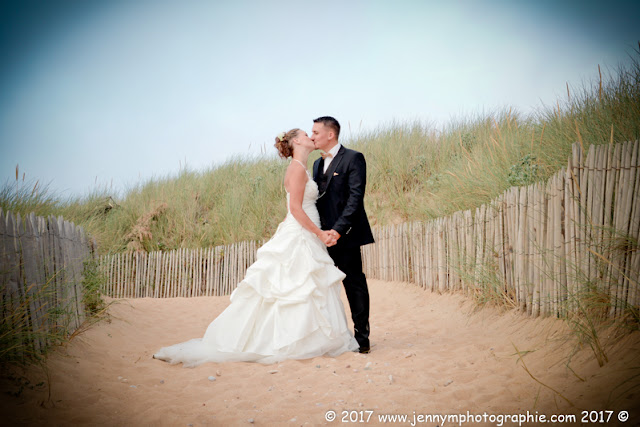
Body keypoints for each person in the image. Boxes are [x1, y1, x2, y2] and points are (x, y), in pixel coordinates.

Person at [153, 128, 359, 367]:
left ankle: (308, 339)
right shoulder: (296, 169)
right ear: (295, 142)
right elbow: (295, 208)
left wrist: (289, 229)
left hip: (301, 231)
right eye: (305, 134)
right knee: (294, 287)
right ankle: (287, 341)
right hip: (304, 230)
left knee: (302, 286)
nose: (311, 137)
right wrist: (319, 233)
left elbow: (291, 211)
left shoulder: (303, 168)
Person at [311, 116, 375, 354]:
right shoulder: (317, 165)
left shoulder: (353, 158)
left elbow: (355, 199)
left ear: (331, 134)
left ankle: (362, 338)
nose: (312, 136)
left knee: (354, 285)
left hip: (345, 235)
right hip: (320, 238)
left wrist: (337, 231)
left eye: (316, 132)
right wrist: (320, 233)